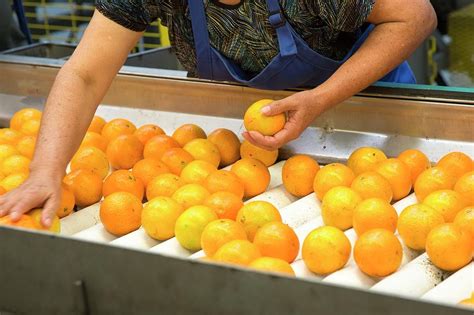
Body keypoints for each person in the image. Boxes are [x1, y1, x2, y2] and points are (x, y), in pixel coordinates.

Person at [0, 0, 437, 226]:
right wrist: (45, 170)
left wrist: (321, 98)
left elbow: (415, 16)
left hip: (363, 130)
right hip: (243, 152)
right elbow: (85, 75)